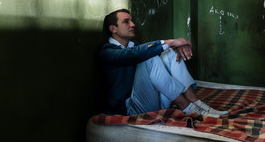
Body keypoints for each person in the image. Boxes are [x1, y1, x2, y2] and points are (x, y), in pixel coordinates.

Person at [98, 9, 228, 118]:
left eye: (132, 21)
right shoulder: (107, 51)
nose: (132, 24)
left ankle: (196, 102)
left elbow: (141, 53)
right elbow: (134, 55)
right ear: (113, 29)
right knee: (150, 58)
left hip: (154, 101)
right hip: (130, 110)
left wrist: (174, 47)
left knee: (170, 53)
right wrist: (172, 42)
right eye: (126, 21)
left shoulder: (134, 46)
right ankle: (187, 107)